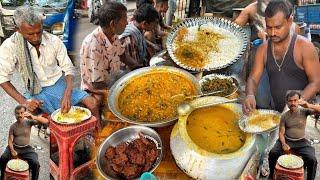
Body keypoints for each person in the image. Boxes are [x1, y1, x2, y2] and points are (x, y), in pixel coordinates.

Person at [0, 5, 100, 124]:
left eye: (39, 32)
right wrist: (25, 102)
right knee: (37, 121)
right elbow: (3, 79)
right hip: (34, 91)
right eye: (30, 34)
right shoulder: (9, 47)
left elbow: (68, 68)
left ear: (42, 25)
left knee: (92, 103)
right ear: (18, 30)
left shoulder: (53, 41)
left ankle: (98, 132)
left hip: (60, 84)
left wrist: (67, 94)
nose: (36, 37)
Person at [242, 0, 320, 114]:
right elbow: (253, 78)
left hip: (304, 113)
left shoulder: (304, 47)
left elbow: (316, 82)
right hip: (278, 114)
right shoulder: (263, 49)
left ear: (290, 21)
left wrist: (295, 103)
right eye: (269, 28)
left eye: (278, 27)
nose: (272, 33)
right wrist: (250, 94)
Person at [80, 2, 140, 108]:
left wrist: (139, 69)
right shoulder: (93, 45)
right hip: (96, 89)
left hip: (111, 79)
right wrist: (123, 90)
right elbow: (97, 84)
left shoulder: (112, 35)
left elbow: (123, 55)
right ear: (113, 24)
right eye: (124, 19)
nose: (127, 23)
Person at [269, 91, 319, 180]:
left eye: (295, 100)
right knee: (273, 153)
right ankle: (271, 175)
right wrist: (283, 144)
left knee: (312, 159)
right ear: (287, 103)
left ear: (299, 101)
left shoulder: (304, 111)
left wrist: (308, 105)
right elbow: (281, 133)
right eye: (290, 101)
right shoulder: (284, 116)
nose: (293, 103)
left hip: (301, 141)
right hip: (287, 140)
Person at [0, 105, 49, 180]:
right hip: (15, 147)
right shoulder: (13, 126)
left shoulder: (29, 122)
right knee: (3, 158)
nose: (19, 115)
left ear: (25, 113)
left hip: (26, 148)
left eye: (21, 113)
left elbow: (46, 121)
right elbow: (10, 140)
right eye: (17, 113)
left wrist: (33, 117)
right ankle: (2, 176)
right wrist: (12, 150)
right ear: (15, 114)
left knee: (36, 163)